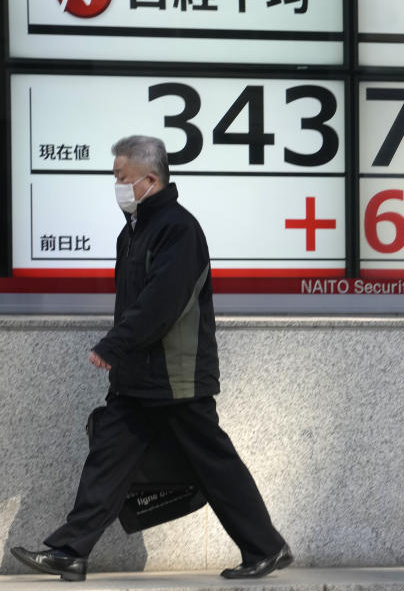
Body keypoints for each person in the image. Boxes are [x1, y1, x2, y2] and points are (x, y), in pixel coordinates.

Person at [10, 135, 292, 582]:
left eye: (121, 177)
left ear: (150, 178)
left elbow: (160, 303)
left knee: (213, 462)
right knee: (108, 455)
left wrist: (112, 345)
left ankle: (266, 547)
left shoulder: (177, 229)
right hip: (140, 376)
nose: (117, 185)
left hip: (175, 376)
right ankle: (70, 550)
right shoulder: (135, 230)